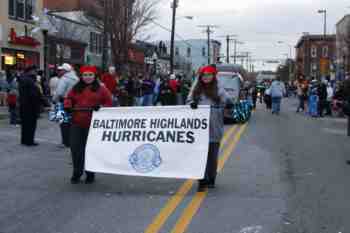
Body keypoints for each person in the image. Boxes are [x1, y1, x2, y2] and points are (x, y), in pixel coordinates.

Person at [64, 65, 112, 184]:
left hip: (93, 125)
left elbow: (109, 102)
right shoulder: (76, 88)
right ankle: (77, 172)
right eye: (85, 75)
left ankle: (90, 173)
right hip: (77, 122)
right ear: (82, 76)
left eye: (90, 75)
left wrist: (100, 107)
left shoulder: (101, 89)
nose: (88, 77)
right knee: (76, 149)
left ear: (94, 76)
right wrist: (68, 105)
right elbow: (68, 98)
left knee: (90, 150)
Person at [187, 65, 232, 192]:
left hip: (214, 126)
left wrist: (228, 104)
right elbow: (189, 100)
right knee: (200, 154)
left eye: (209, 75)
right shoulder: (196, 89)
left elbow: (227, 100)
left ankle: (211, 177)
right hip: (199, 128)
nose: (206, 77)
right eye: (204, 75)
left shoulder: (219, 89)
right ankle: (202, 179)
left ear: (213, 76)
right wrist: (192, 104)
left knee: (212, 156)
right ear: (201, 77)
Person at [53, 63, 79, 148]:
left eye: (61, 70)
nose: (59, 72)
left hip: (64, 102)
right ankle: (72, 141)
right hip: (74, 103)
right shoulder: (76, 78)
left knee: (63, 122)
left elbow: (59, 92)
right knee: (71, 123)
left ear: (65, 71)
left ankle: (65, 142)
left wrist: (54, 100)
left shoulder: (64, 79)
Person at [18, 66, 42, 146]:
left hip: (23, 104)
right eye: (35, 71)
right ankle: (29, 141)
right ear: (31, 71)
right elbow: (34, 94)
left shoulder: (22, 78)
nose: (36, 72)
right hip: (31, 106)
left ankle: (24, 140)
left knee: (25, 124)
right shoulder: (30, 80)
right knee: (31, 124)